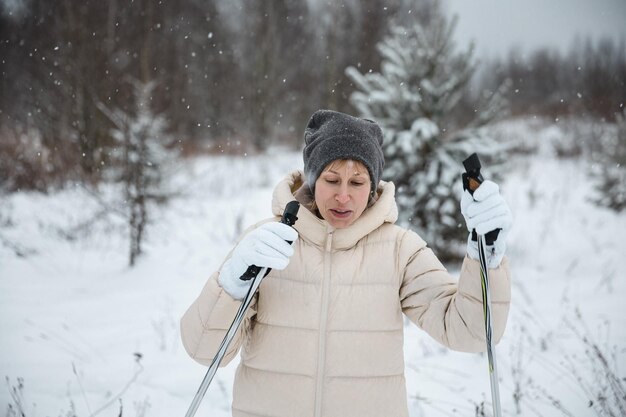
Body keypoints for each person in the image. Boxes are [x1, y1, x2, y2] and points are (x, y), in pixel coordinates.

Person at [181, 109, 512, 417]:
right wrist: (232, 285)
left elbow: (471, 331)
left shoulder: (399, 250)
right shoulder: (267, 244)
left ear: (371, 189)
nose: (343, 196)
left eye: (356, 183)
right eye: (331, 179)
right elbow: (205, 350)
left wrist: (487, 255)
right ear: (312, 180)